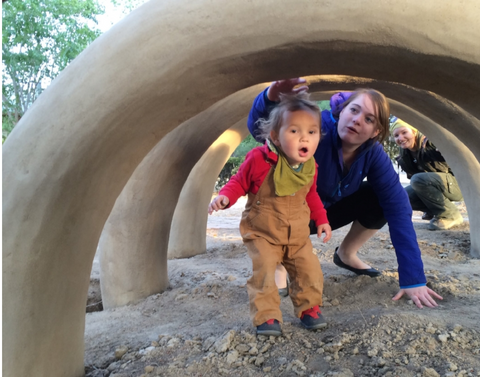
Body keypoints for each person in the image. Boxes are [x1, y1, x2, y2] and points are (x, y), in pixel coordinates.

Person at [248, 78, 443, 309]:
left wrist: (413, 278)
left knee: (378, 197)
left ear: (375, 131)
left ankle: (346, 254)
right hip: (284, 212)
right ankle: (279, 262)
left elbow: (398, 207)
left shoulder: (373, 154)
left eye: (368, 119)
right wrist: (269, 98)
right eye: (354, 110)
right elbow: (261, 130)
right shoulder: (316, 128)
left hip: (323, 215)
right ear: (342, 111)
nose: (357, 120)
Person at [209, 93, 332, 336]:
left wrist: (322, 219)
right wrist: (225, 197)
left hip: (297, 233)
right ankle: (267, 317)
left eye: (312, 131)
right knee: (264, 271)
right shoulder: (259, 159)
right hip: (262, 231)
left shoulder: (310, 167)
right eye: (294, 131)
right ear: (275, 135)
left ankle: (309, 309)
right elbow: (238, 182)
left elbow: (311, 194)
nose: (304, 137)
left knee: (309, 270)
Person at [390, 117, 463, 230]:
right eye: (396, 135)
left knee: (418, 179)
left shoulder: (431, 141)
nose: (401, 138)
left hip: (458, 185)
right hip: (434, 184)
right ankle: (435, 211)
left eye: (404, 132)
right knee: (402, 196)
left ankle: (451, 215)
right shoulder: (404, 154)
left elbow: (460, 152)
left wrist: (447, 150)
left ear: (414, 131)